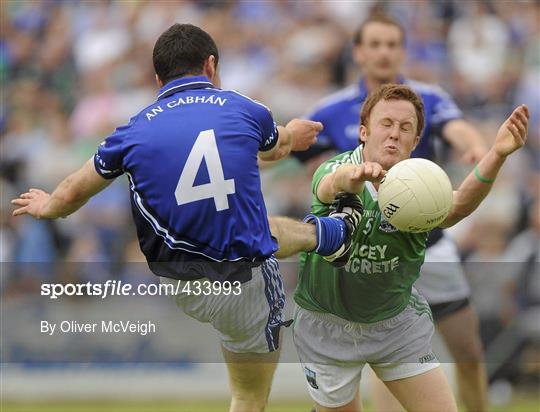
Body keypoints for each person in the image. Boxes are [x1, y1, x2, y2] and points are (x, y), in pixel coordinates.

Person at [11, 24, 363, 412]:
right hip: (244, 281)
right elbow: (277, 149)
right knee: (250, 394)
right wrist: (292, 135)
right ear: (210, 65)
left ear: (158, 78)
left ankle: (329, 235)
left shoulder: (131, 131)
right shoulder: (243, 107)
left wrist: (49, 206)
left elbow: (74, 191)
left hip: (180, 281)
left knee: (257, 231)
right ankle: (334, 233)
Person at [292, 84, 529, 412]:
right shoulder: (336, 169)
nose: (394, 134)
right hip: (326, 322)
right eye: (385, 124)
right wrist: (356, 176)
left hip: (393, 322)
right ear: (364, 132)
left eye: (405, 128)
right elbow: (332, 185)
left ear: (416, 141)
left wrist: (497, 154)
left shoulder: (422, 182)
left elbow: (456, 206)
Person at [297, 14, 490, 412]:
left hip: (427, 243)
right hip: (355, 257)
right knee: (374, 340)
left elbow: (458, 132)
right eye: (375, 44)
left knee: (466, 347)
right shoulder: (333, 110)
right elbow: (307, 166)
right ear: (359, 53)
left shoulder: (427, 97)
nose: (384, 52)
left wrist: (480, 150)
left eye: (392, 44)